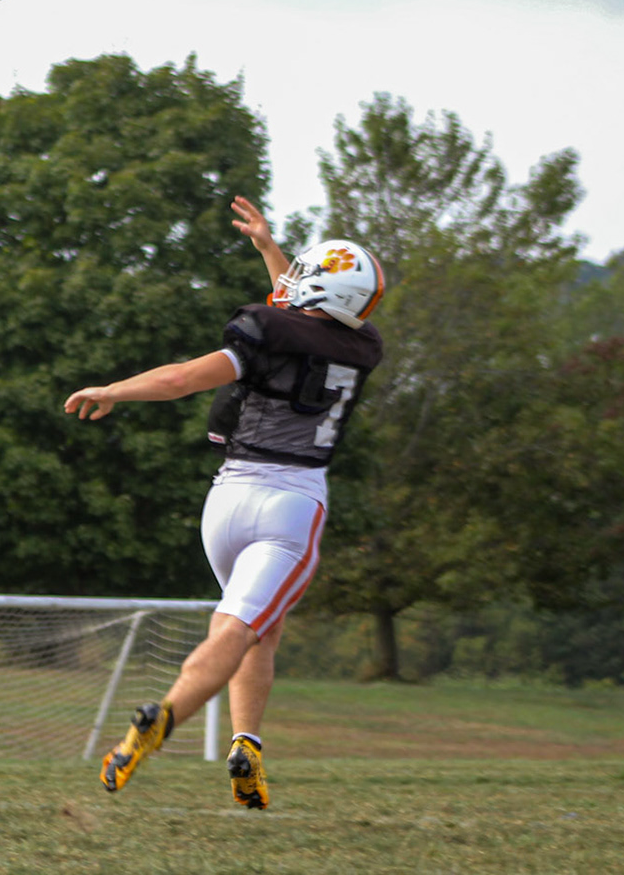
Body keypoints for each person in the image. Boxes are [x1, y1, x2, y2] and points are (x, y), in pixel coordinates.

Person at [63, 196, 384, 811]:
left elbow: (181, 378)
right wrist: (269, 249)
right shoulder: (362, 346)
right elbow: (307, 316)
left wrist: (115, 390)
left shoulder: (270, 332)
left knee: (254, 629)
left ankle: (247, 746)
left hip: (228, 500)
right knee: (241, 630)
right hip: (291, 505)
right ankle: (164, 717)